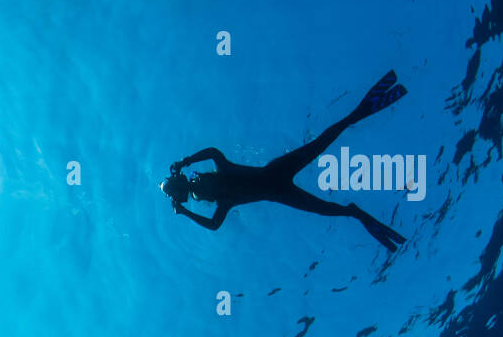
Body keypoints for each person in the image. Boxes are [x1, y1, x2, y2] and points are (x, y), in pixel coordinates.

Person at [162, 71, 409, 251]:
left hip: (276, 176)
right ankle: (353, 212)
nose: (199, 190)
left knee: (322, 144)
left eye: (194, 187)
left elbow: (214, 154)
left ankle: (357, 115)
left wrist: (186, 166)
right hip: (279, 187)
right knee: (324, 200)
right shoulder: (224, 198)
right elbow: (214, 220)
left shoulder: (223, 187)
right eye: (197, 193)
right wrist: (186, 169)